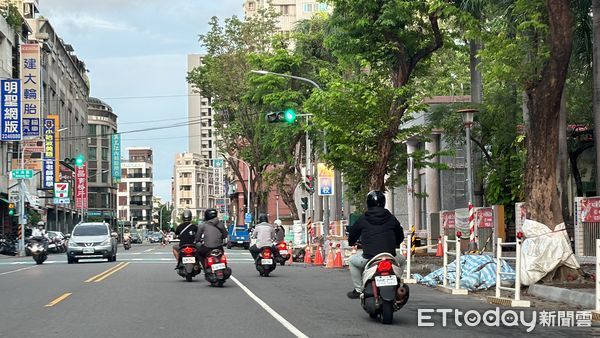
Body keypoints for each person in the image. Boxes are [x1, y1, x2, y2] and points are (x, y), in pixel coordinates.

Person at [346, 191, 404, 299]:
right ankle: (399, 282)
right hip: (390, 256)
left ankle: (358, 290)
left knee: (352, 262)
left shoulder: (363, 218)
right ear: (383, 202)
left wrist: (351, 242)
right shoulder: (391, 218)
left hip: (369, 257)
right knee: (403, 260)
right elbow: (400, 234)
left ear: (368, 203)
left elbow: (353, 234)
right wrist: (396, 243)